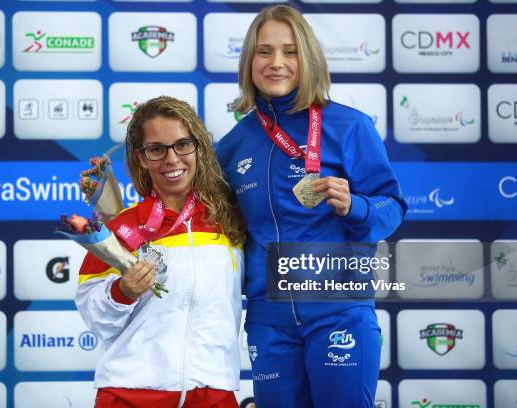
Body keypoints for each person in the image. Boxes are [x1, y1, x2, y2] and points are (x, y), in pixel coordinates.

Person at [216, 5, 407, 408]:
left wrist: (355, 206)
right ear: (249, 60)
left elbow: (392, 208)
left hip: (339, 311)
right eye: (264, 51)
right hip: (270, 322)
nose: (277, 63)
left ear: (309, 58)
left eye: (290, 51)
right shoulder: (234, 144)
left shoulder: (350, 126)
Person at [76, 96, 246, 408]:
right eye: (156, 149)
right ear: (141, 157)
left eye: (182, 144)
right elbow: (93, 313)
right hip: (130, 394)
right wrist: (122, 291)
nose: (172, 159)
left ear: (198, 148)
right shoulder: (122, 228)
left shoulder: (231, 224)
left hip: (213, 391)